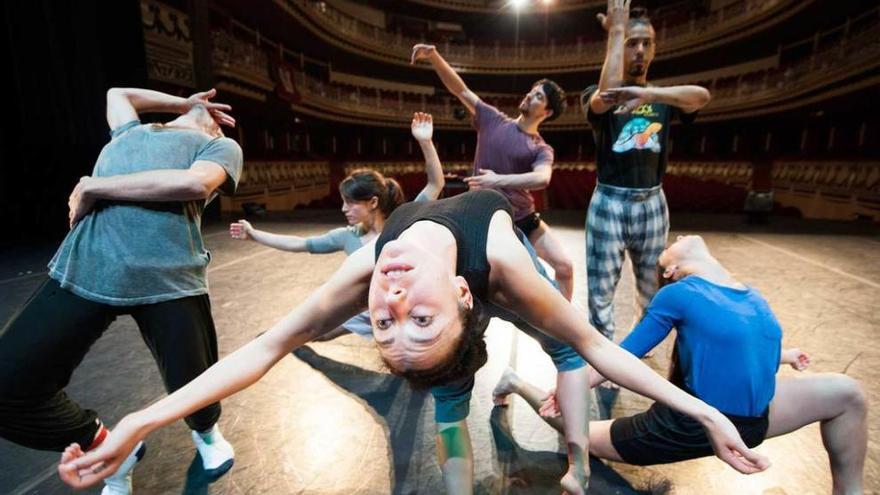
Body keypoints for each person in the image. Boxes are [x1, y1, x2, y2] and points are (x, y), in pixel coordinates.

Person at [57, 191, 770, 495]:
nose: (391, 304)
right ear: (461, 300)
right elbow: (264, 349)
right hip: (487, 290)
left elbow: (267, 343)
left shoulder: (383, 268)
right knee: (451, 411)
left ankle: (579, 458)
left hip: (511, 298)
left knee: (564, 353)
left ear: (465, 297)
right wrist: (706, 412)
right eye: (410, 321)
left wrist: (143, 417)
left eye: (392, 324)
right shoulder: (484, 272)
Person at [0, 87, 242, 495]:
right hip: (87, 266)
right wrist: (184, 103)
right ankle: (112, 450)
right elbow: (116, 93)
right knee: (7, 383)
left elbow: (195, 184)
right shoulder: (128, 131)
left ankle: (206, 433)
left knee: (194, 383)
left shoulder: (221, 146)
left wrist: (96, 186)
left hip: (170, 278)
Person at [495, 235, 867, 495]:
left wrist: (782, 356)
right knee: (577, 429)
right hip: (688, 425)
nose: (678, 238)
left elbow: (737, 351)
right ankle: (516, 382)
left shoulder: (749, 293)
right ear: (671, 270)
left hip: (757, 417)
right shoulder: (678, 294)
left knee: (847, 394)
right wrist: (570, 390)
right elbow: (622, 354)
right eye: (670, 245)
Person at [229, 112, 445, 340]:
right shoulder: (347, 236)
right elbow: (299, 243)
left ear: (372, 202)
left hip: (409, 306)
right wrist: (254, 235)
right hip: (368, 308)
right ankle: (278, 338)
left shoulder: (402, 223)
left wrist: (425, 142)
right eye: (343, 202)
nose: (343, 209)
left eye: (350, 203)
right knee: (320, 333)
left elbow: (435, 183)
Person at [582, 1, 712, 348]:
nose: (639, 50)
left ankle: (639, 345)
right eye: (631, 43)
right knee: (601, 292)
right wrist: (617, 32)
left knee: (652, 287)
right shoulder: (596, 93)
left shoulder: (662, 98)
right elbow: (604, 97)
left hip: (652, 200)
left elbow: (703, 96)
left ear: (654, 48)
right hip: (610, 199)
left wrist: (648, 92)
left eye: (646, 43)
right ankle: (605, 356)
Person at [411, 43, 576, 300]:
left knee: (565, 267)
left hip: (523, 218)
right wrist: (433, 56)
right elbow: (460, 90)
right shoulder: (493, 120)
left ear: (548, 112)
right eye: (531, 92)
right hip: (485, 217)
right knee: (485, 283)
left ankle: (565, 332)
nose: (530, 97)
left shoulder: (540, 147)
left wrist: (497, 179)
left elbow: (542, 178)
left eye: (539, 97)